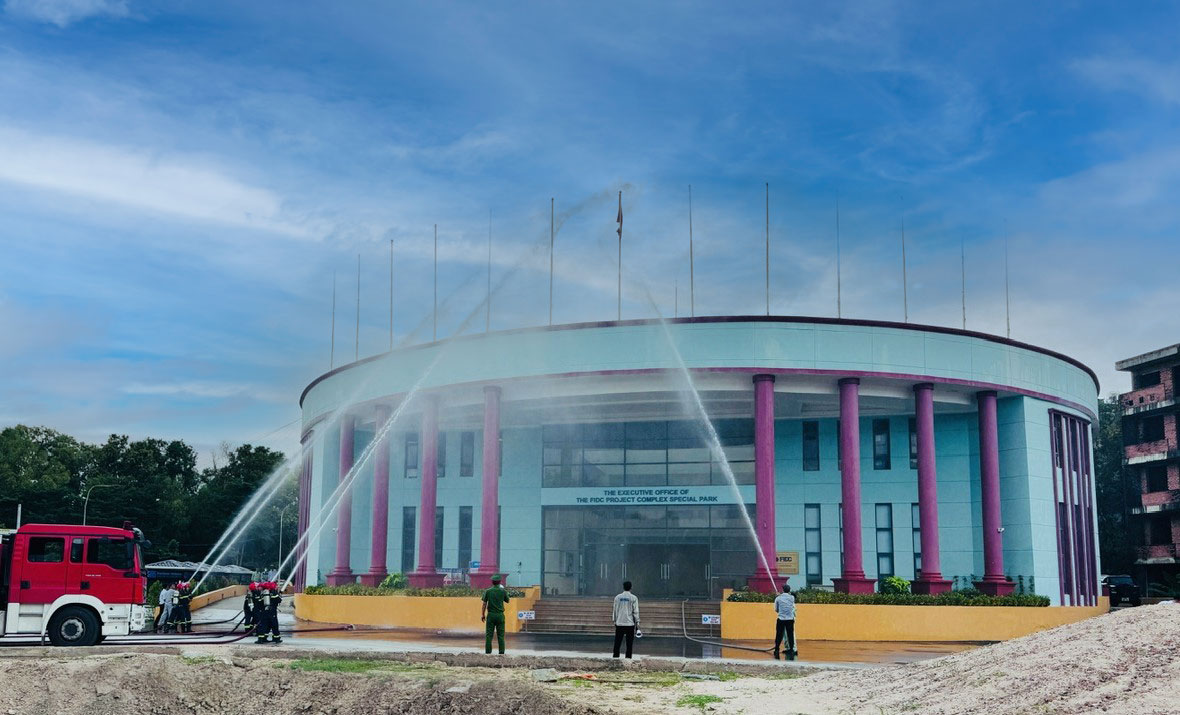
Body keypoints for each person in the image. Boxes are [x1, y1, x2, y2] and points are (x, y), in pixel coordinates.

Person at [480, 574, 511, 655]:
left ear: (492, 582)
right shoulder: (503, 591)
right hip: (500, 615)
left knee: (489, 635)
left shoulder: (488, 591)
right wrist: (503, 591)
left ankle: (488, 652)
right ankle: (501, 652)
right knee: (501, 635)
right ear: (500, 582)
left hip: (491, 615)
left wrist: (482, 614)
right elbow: (507, 600)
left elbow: (484, 604)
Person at [612, 581, 640, 659]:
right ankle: (628, 658)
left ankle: (615, 658)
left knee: (617, 642)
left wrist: (614, 620)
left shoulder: (617, 597)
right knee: (629, 644)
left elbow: (615, 610)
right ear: (631, 587)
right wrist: (637, 622)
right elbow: (636, 611)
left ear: (623, 587)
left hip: (619, 623)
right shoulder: (634, 598)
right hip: (630, 624)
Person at [773, 582, 796, 659]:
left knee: (779, 634)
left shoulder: (778, 598)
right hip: (790, 619)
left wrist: (778, 596)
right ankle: (791, 649)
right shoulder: (792, 598)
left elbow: (776, 609)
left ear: (782, 590)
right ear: (789, 590)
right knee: (790, 635)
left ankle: (776, 649)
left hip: (781, 619)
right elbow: (792, 597)